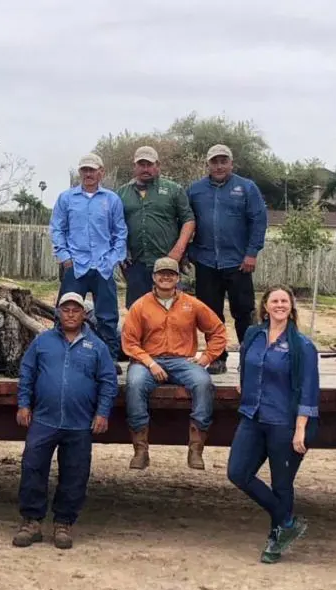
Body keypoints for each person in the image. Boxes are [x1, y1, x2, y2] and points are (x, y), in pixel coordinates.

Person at [12, 292, 116, 550]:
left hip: (80, 423)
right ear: (58, 312)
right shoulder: (42, 341)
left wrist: (102, 413)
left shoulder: (97, 346)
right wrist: (24, 404)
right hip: (44, 420)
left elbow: (108, 381)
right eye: (65, 309)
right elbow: (26, 373)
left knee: (75, 474)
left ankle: (63, 524)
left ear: (84, 314)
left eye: (75, 310)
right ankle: (32, 522)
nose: (70, 314)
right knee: (33, 468)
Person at [227, 285, 319, 563]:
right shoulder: (253, 336)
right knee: (237, 473)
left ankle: (276, 540)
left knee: (282, 484)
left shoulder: (302, 346)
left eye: (284, 301)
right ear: (265, 306)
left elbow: (309, 388)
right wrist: (244, 385)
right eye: (274, 301)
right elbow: (246, 364)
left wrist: (301, 428)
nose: (279, 305)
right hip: (252, 417)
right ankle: (287, 521)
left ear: (291, 307)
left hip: (285, 422)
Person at [121, 257, 226, 470]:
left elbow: (218, 331)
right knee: (134, 384)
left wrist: (205, 358)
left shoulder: (192, 304)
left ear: (178, 278)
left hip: (182, 361)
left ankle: (196, 448)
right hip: (148, 361)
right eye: (161, 273)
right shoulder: (140, 306)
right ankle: (140, 450)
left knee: (203, 382)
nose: (166, 277)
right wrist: (150, 363)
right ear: (154, 277)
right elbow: (129, 341)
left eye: (171, 274)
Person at [186, 144, 268, 374]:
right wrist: (188, 252)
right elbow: (184, 220)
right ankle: (217, 357)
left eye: (224, 161)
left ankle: (248, 358)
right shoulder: (195, 190)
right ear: (208, 165)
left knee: (244, 312)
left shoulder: (247, 187)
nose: (219, 166)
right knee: (211, 314)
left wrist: (252, 252)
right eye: (215, 161)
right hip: (205, 262)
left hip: (239, 263)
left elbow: (258, 221)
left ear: (231, 163)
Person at [49, 152, 128, 361]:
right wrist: (65, 257)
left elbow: (120, 232)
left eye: (92, 170)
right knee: (66, 313)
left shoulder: (112, 200)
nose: (88, 174)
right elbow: (57, 229)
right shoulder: (66, 198)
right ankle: (60, 357)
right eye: (84, 170)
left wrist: (113, 259)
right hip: (76, 266)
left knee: (107, 317)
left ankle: (108, 359)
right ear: (80, 173)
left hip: (103, 266)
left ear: (101, 172)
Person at [117, 146, 195, 308]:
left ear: (157, 165)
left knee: (171, 309)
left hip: (166, 261)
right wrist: (121, 250)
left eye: (149, 164)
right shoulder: (122, 193)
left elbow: (188, 220)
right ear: (134, 167)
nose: (145, 169)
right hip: (135, 263)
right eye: (141, 164)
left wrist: (178, 251)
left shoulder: (174, 190)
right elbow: (115, 225)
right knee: (137, 309)